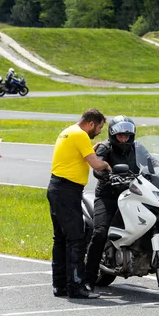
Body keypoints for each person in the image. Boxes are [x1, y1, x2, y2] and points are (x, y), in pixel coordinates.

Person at [47, 108, 111, 299]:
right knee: (76, 238)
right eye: (99, 127)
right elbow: (96, 165)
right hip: (67, 191)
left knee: (60, 239)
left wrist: (91, 150)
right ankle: (76, 286)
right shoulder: (81, 135)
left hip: (56, 188)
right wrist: (108, 166)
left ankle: (60, 285)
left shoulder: (68, 132)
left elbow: (76, 157)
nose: (99, 131)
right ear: (91, 123)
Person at [84, 115, 139, 291]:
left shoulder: (137, 149)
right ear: (113, 135)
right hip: (108, 196)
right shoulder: (105, 148)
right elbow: (98, 166)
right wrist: (105, 174)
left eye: (127, 136)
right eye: (120, 136)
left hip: (132, 195)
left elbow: (151, 164)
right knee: (100, 232)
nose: (124, 139)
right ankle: (88, 278)